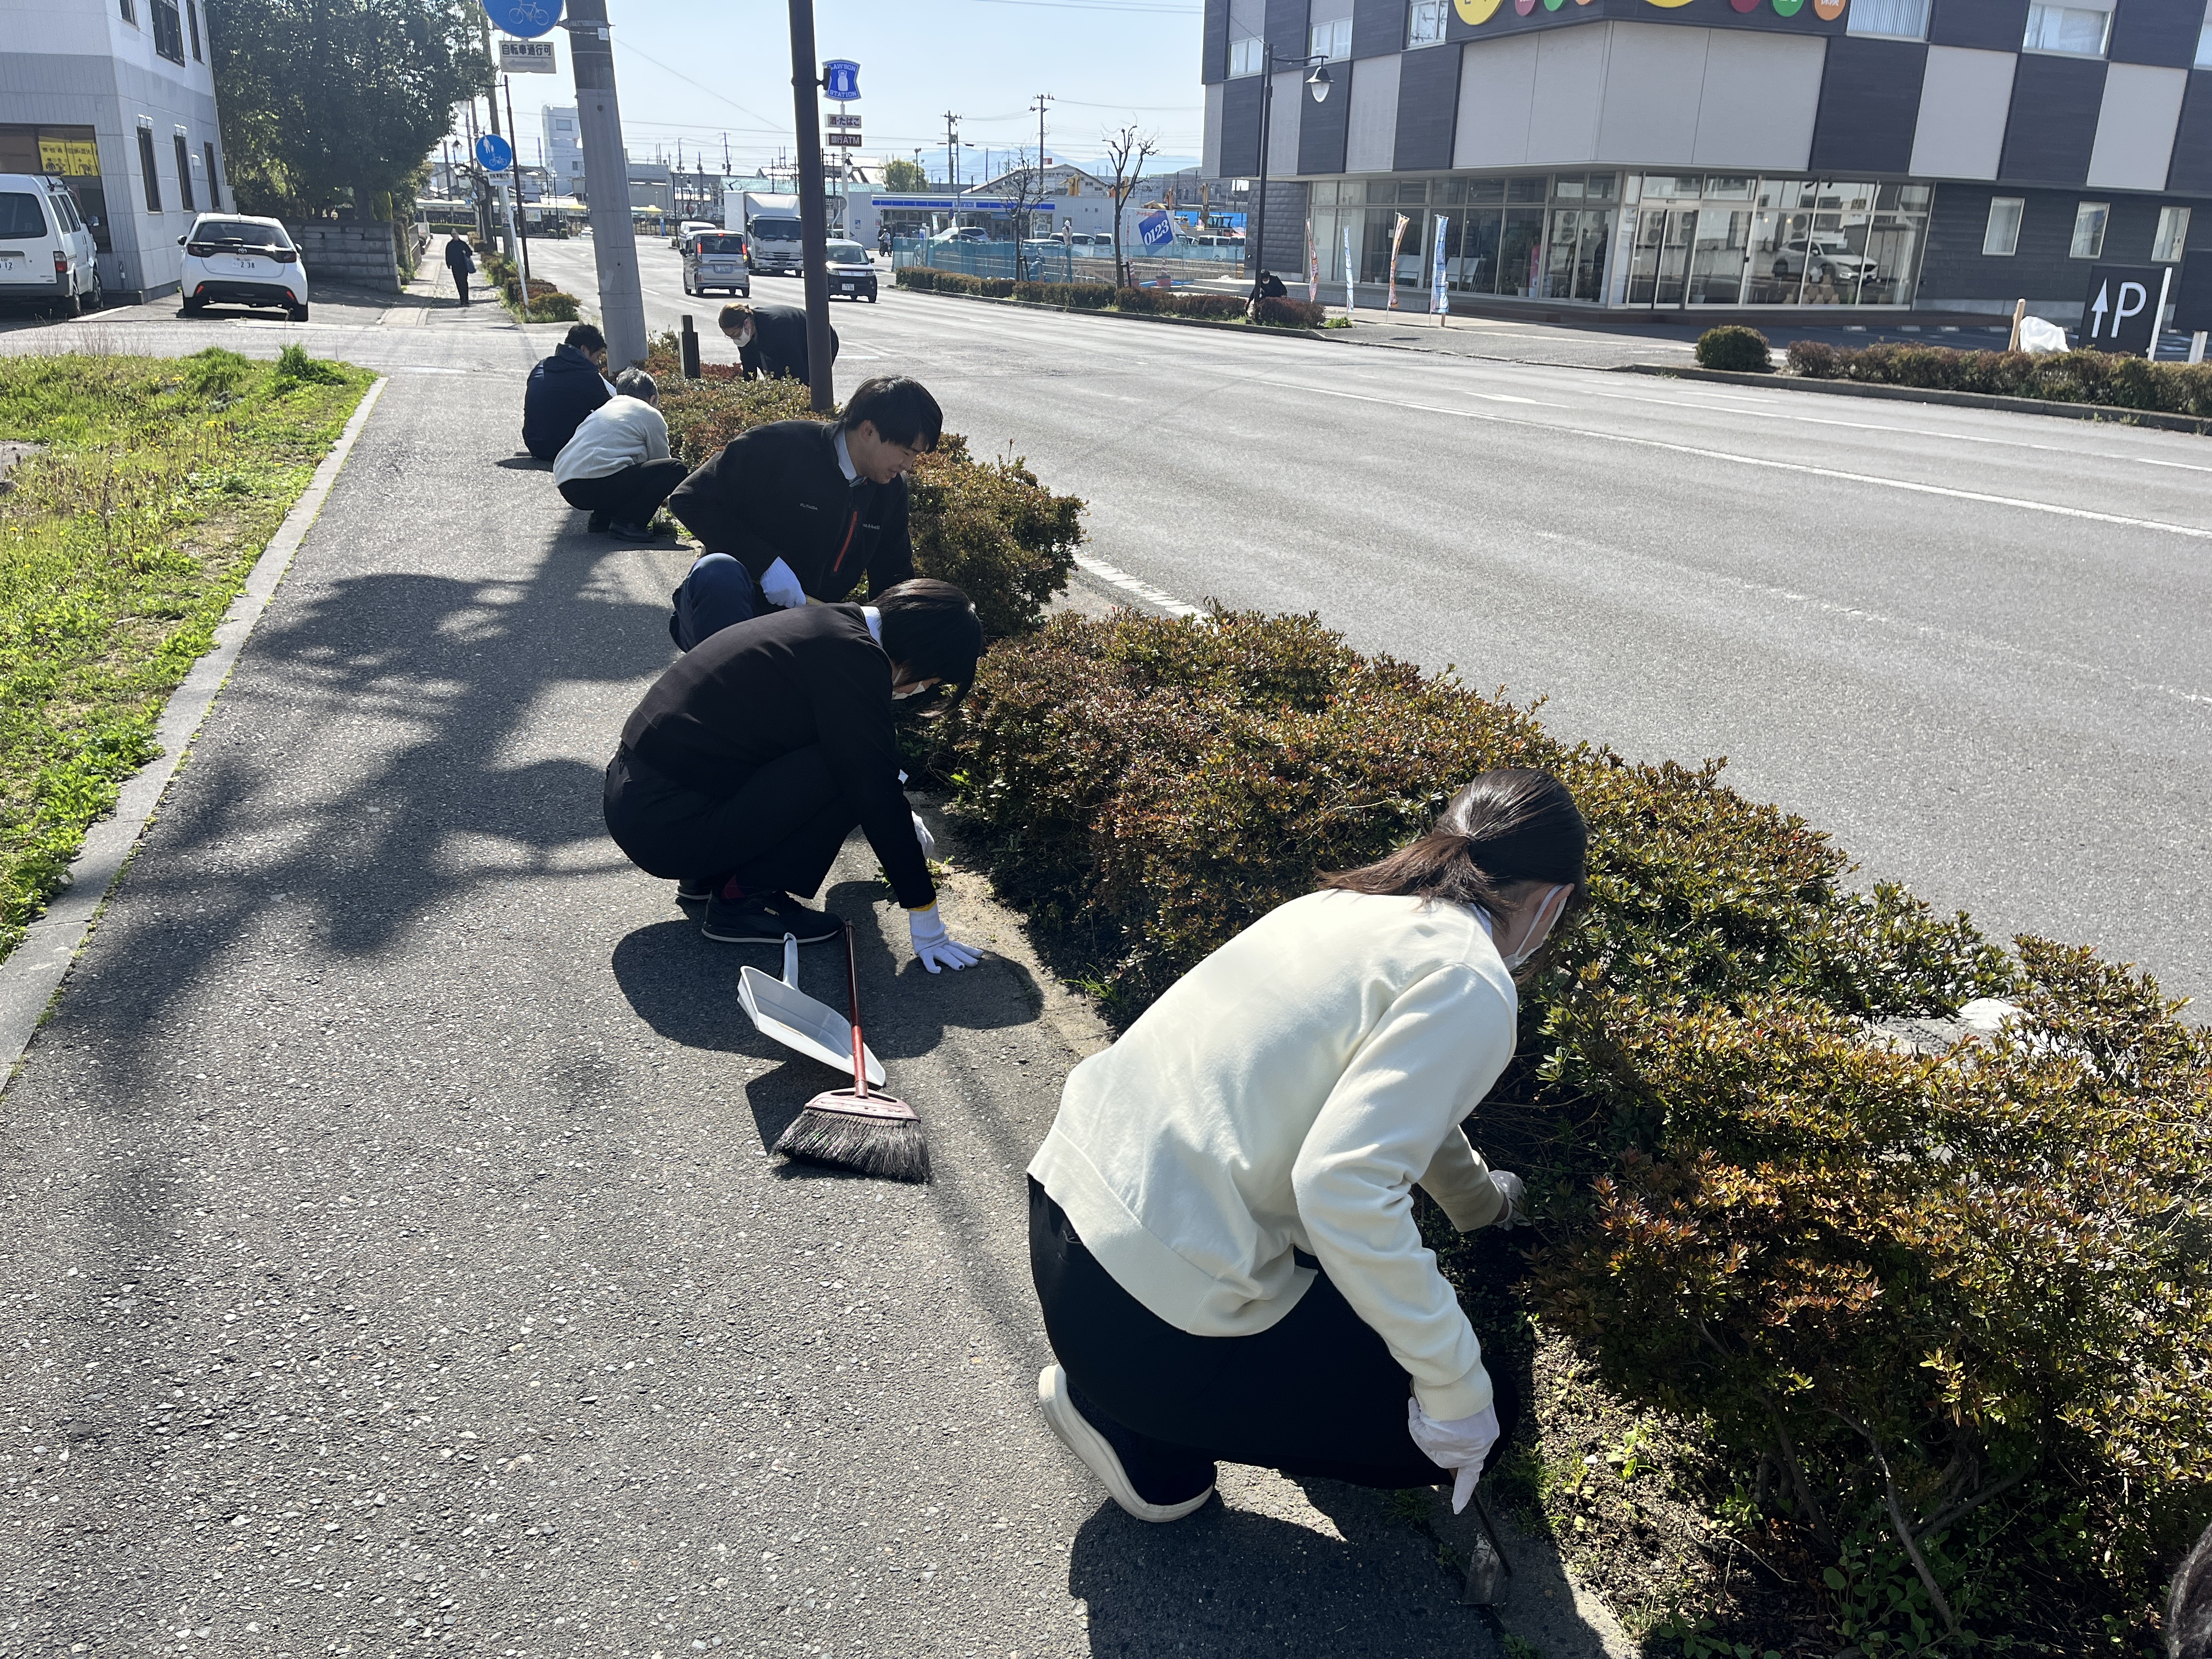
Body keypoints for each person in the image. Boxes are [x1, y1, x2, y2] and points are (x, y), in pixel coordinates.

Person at [1027, 769, 1587, 1522]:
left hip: (1063, 1217)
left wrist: (1482, 1208)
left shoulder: (1342, 906)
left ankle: (1145, 1416)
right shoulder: (1472, 978)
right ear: (1552, 903)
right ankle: (1130, 1425)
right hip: (1145, 1326)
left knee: (1343, 1288)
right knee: (1491, 1412)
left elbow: (1400, 1111)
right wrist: (1457, 1393)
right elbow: (1344, 1184)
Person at [602, 577, 986, 961]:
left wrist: (899, 810)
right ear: (920, 655)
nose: (916, 691)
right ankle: (744, 899)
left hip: (642, 800)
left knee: (848, 755)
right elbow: (871, 784)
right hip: (666, 826)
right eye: (930, 680)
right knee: (847, 774)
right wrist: (923, 909)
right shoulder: (855, 657)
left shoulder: (830, 624)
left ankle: (714, 872)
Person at [662, 375, 940, 652]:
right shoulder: (779, 447)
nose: (909, 465)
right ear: (869, 431)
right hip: (728, 609)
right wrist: (766, 565)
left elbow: (893, 575)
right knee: (718, 571)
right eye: (905, 452)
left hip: (802, 629)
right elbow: (689, 499)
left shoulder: (889, 491)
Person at [552, 368, 684, 541]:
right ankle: (629, 522)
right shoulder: (649, 413)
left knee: (618, 461)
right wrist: (664, 500)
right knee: (675, 468)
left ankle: (603, 518)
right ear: (652, 399)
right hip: (599, 484)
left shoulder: (605, 409)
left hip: (568, 486)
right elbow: (660, 460)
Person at [522, 322, 614, 462]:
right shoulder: (588, 376)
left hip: (535, 444)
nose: (597, 363)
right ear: (584, 350)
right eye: (598, 356)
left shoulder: (541, 367)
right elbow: (611, 413)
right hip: (566, 449)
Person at [718, 300, 837, 384]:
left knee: (813, 381)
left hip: (821, 339)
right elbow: (749, 366)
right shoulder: (746, 332)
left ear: (747, 324)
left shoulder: (776, 327)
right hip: (791, 340)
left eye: (735, 335)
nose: (735, 340)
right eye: (730, 337)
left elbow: (796, 366)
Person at [444, 234, 476, 304]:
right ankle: (462, 299)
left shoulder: (463, 244)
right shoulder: (450, 245)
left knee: (464, 282)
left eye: (456, 234)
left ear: (458, 235)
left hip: (463, 266)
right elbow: (447, 255)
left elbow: (470, 252)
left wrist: (465, 252)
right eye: (453, 234)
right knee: (458, 282)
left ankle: (466, 299)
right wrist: (448, 264)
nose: (455, 236)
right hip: (455, 267)